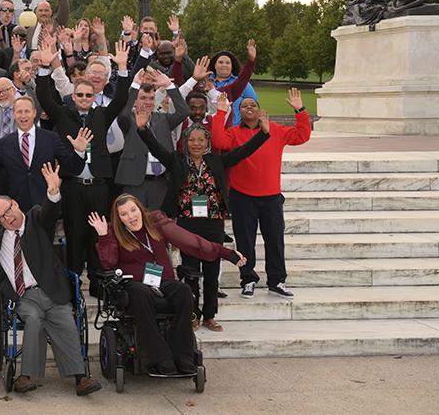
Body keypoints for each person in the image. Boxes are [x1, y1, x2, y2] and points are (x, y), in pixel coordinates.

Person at [0, 163, 102, 396]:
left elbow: (51, 211)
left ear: (15, 204)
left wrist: (53, 191)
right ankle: (25, 377)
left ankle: (81, 379)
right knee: (34, 319)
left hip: (51, 290)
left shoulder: (37, 219)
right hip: (23, 295)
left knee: (65, 320)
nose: (7, 218)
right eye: (1, 217)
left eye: (8, 210)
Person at [136, 105, 268, 331]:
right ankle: (192, 315)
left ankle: (209, 315)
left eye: (201, 140)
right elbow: (156, 149)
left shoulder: (217, 161)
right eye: (192, 140)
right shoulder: (177, 161)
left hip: (213, 223)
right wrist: (142, 129)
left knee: (211, 273)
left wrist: (263, 134)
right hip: (187, 224)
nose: (196, 144)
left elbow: (243, 152)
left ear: (207, 142)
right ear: (186, 142)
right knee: (190, 272)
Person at [90, 194, 246, 375]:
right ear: (119, 218)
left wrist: (226, 253)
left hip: (162, 280)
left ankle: (183, 356)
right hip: (133, 284)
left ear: (140, 208)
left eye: (133, 210)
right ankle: (160, 357)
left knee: (183, 290)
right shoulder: (113, 231)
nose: (131, 216)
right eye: (124, 214)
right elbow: (108, 263)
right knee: (141, 292)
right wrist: (103, 236)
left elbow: (191, 241)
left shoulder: (156, 223)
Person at [34, 40, 131, 277]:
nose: (85, 98)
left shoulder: (102, 115)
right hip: (72, 185)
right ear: (74, 96)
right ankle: (74, 283)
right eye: (80, 95)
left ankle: (99, 282)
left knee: (98, 234)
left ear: (94, 96)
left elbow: (121, 99)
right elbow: (44, 97)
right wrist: (44, 67)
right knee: (74, 235)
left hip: (98, 186)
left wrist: (122, 68)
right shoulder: (63, 114)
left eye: (89, 95)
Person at [210, 89, 311, 299]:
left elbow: (302, 135)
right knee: (245, 242)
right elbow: (218, 141)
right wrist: (221, 112)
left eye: (253, 105)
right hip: (242, 197)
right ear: (239, 112)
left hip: (271, 197)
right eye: (244, 105)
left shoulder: (276, 129)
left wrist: (300, 110)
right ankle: (248, 280)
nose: (249, 107)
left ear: (259, 110)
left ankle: (277, 281)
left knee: (275, 241)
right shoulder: (234, 133)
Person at [114, 69, 189, 210]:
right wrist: (135, 86)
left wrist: (169, 86)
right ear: (135, 101)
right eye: (143, 98)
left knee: (159, 221)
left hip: (161, 182)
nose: (148, 102)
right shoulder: (128, 120)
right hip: (135, 181)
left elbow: (184, 112)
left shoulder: (163, 119)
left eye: (151, 98)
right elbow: (123, 113)